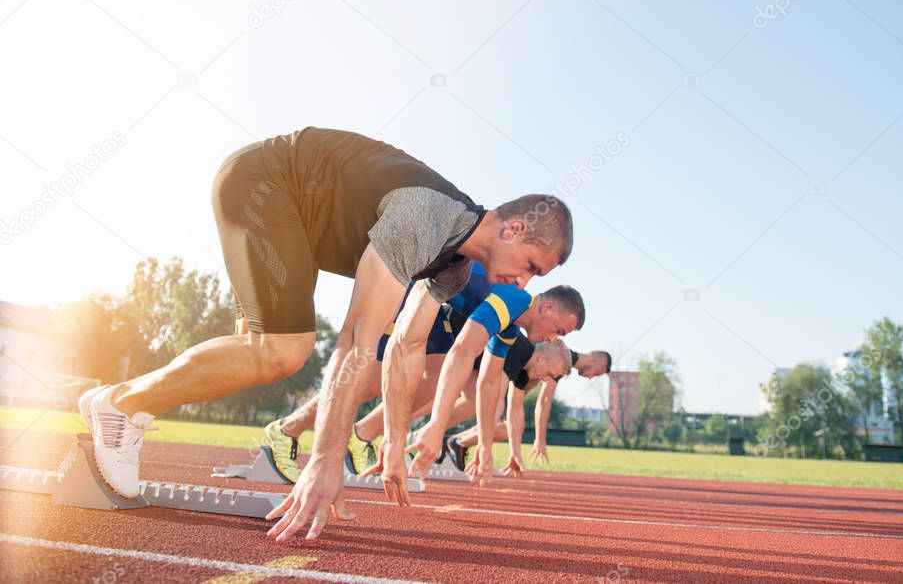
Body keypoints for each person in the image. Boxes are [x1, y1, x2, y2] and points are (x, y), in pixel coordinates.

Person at [77, 127, 573, 543]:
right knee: (283, 351)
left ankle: (116, 401)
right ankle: (119, 409)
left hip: (300, 230)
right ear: (512, 230)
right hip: (265, 184)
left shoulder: (456, 269)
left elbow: (406, 346)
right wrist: (325, 457)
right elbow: (359, 342)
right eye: (532, 266)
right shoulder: (429, 217)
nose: (524, 284)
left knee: (263, 351)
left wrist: (397, 443)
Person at [261, 267, 584, 478]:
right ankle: (288, 428)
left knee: (421, 386)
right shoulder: (514, 300)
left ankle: (360, 437)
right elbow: (464, 353)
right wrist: (436, 427)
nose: (554, 339)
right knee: (369, 381)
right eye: (559, 330)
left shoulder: (510, 328)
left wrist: (484, 445)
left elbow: (487, 383)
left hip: (435, 309)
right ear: (547, 307)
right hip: (409, 290)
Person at [447, 346, 611, 470]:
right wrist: (539, 439)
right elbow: (543, 402)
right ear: (593, 361)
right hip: (499, 378)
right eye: (596, 373)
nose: (591, 378)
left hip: (510, 386)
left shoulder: (559, 361)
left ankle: (454, 441)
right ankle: (450, 439)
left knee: (507, 428)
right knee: (500, 421)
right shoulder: (559, 358)